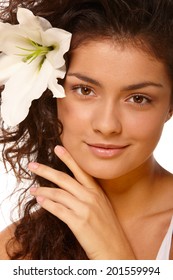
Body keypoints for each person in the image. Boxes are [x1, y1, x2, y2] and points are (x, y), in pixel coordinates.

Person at [0, 0, 173, 260]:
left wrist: (112, 256)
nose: (107, 125)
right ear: (50, 93)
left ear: (170, 106)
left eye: (138, 98)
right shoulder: (15, 250)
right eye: (85, 90)